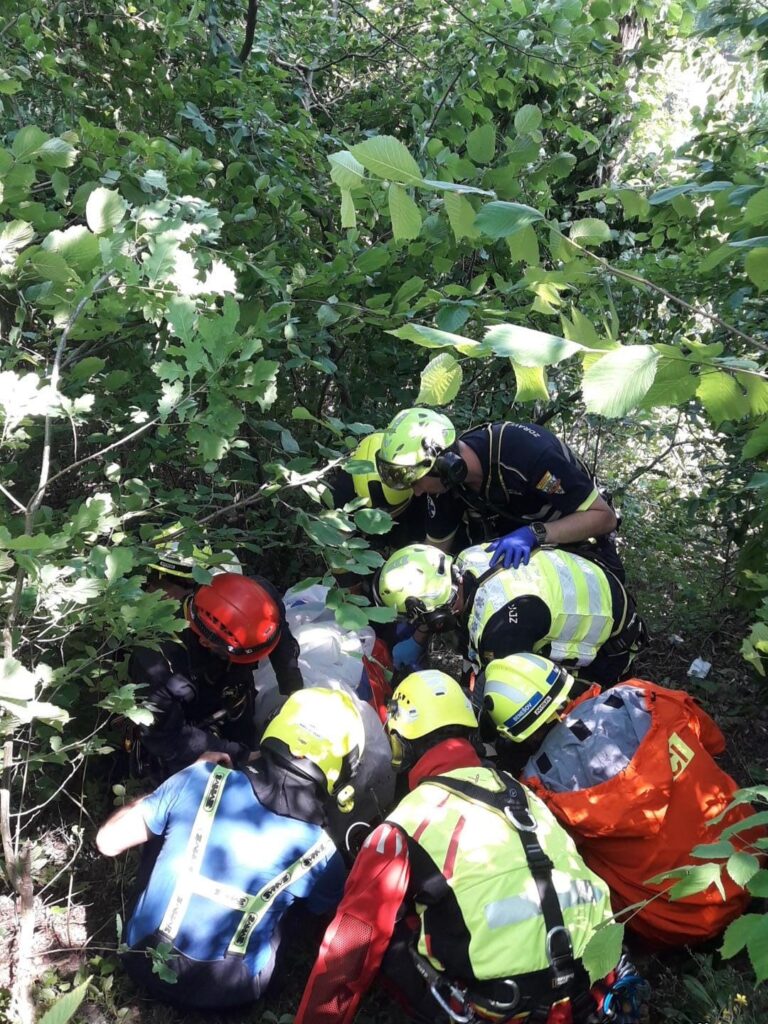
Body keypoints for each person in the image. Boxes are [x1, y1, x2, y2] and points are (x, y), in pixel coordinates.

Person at [294, 670, 635, 1024]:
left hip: (503, 1008)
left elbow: (351, 945)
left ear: (400, 743)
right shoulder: (523, 793)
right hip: (591, 990)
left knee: (388, 925)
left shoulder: (407, 823)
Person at [97, 688, 375, 1009]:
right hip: (230, 992)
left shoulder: (199, 779)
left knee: (167, 822)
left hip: (143, 959)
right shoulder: (322, 852)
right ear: (343, 767)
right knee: (297, 901)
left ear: (277, 726)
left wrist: (183, 778)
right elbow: (322, 913)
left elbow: (108, 841)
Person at [476, 653, 767, 949]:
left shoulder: (541, 792)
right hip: (753, 856)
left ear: (515, 733)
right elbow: (714, 742)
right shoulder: (644, 697)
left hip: (683, 922)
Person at [375, 408, 622, 578]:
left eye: (416, 482)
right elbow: (434, 554)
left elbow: (604, 518)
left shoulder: (528, 454)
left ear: (445, 465)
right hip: (522, 563)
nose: (417, 493)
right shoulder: (447, 486)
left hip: (579, 547)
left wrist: (535, 533)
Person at [373, 543, 646, 685]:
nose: (421, 626)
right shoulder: (468, 559)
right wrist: (419, 638)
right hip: (595, 584)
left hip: (611, 633)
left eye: (422, 620)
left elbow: (519, 695)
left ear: (437, 614)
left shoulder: (498, 631)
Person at [129, 569, 303, 778]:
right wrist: (241, 755)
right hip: (188, 726)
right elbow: (167, 737)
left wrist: (296, 694)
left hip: (235, 695)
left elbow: (281, 642)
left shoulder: (260, 601)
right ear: (206, 641)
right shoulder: (157, 663)